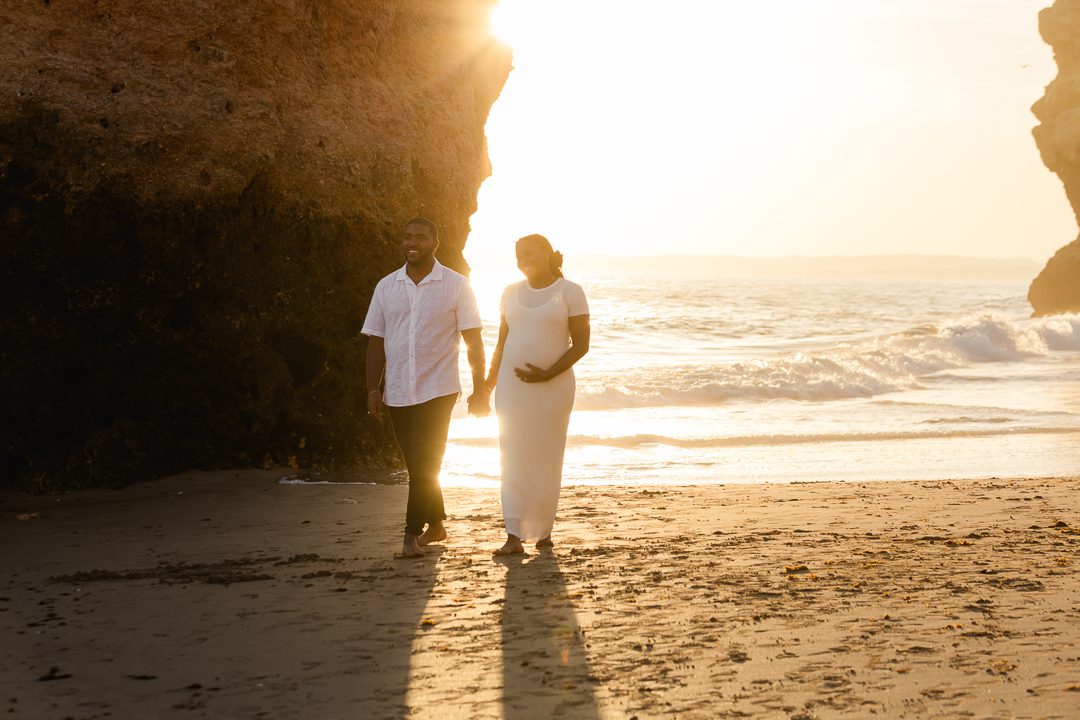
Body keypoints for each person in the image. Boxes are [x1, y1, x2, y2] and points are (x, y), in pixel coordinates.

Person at [362, 217, 490, 558]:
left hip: (439, 388)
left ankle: (410, 534)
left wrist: (481, 389)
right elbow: (376, 341)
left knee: (425, 463)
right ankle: (436, 524)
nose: (411, 242)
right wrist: (373, 389)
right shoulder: (386, 286)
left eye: (419, 237)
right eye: (406, 237)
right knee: (417, 463)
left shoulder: (456, 285)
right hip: (399, 389)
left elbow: (473, 341)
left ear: (436, 242)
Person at [486, 234, 590, 556]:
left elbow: (581, 345)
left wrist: (547, 373)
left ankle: (544, 531)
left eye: (529, 253)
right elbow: (501, 345)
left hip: (553, 389)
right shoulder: (510, 293)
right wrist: (486, 387)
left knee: (546, 456)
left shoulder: (570, 292)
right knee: (512, 456)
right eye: (518, 255)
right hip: (512, 387)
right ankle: (513, 534)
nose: (523, 260)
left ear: (546, 253)